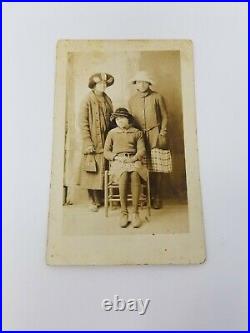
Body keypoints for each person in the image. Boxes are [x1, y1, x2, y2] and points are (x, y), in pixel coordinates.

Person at [128, 70, 172, 209]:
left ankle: (156, 196)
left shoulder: (157, 97)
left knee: (156, 168)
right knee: (142, 167)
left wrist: (163, 132)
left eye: (144, 82)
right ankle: (145, 196)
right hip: (140, 137)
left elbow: (165, 116)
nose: (141, 85)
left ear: (149, 83)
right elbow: (131, 120)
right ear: (135, 84)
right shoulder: (132, 100)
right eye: (138, 82)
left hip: (155, 134)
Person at [104, 108, 147, 228]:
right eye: (117, 119)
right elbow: (106, 152)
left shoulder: (137, 132)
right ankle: (124, 213)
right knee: (123, 174)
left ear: (128, 119)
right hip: (119, 161)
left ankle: (135, 213)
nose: (119, 121)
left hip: (133, 159)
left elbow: (142, 150)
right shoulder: (112, 133)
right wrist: (117, 158)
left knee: (134, 174)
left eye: (122, 118)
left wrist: (133, 159)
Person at [80, 72, 114, 212]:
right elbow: (83, 122)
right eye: (100, 84)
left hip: (105, 140)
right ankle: (92, 200)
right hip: (93, 140)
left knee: (104, 169)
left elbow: (111, 119)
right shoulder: (87, 100)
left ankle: (101, 198)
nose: (103, 86)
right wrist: (88, 141)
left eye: (105, 84)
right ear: (94, 85)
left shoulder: (107, 99)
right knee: (92, 170)